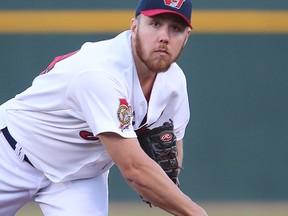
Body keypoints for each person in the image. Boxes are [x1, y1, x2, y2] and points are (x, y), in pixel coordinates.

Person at [0, 0, 208, 215]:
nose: (164, 36)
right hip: (12, 155)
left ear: (186, 37)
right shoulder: (100, 73)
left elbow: (171, 149)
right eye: (155, 24)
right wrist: (195, 212)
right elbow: (135, 170)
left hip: (80, 177)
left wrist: (168, 187)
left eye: (175, 28)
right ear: (135, 27)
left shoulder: (174, 82)